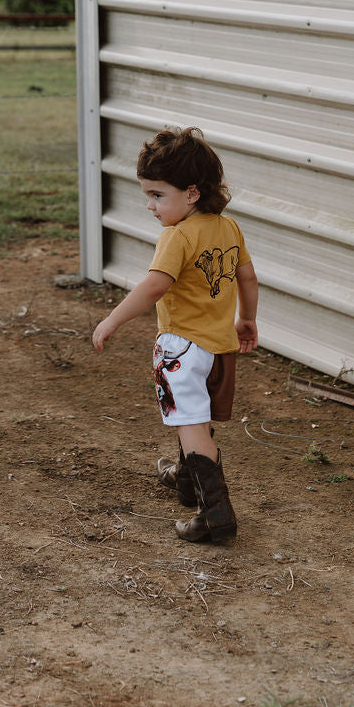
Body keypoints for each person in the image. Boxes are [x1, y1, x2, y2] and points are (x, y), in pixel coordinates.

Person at [91, 126, 258, 542]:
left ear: (192, 193)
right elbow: (248, 277)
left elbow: (154, 286)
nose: (149, 205)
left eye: (157, 195)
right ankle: (187, 480)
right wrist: (247, 319)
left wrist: (112, 319)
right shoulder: (228, 228)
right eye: (147, 194)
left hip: (181, 348)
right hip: (219, 348)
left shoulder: (177, 236)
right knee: (194, 415)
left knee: (192, 425)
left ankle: (216, 514)